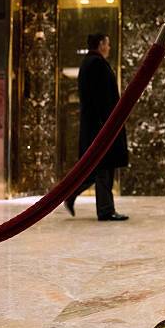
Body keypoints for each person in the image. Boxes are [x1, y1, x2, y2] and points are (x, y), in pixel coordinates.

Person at [64, 33, 129, 220]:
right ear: (101, 44)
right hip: (101, 127)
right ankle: (106, 210)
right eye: (107, 43)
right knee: (103, 169)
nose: (109, 47)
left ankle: (73, 194)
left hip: (96, 126)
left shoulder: (89, 63)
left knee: (97, 169)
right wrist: (108, 124)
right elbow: (102, 98)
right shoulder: (96, 64)